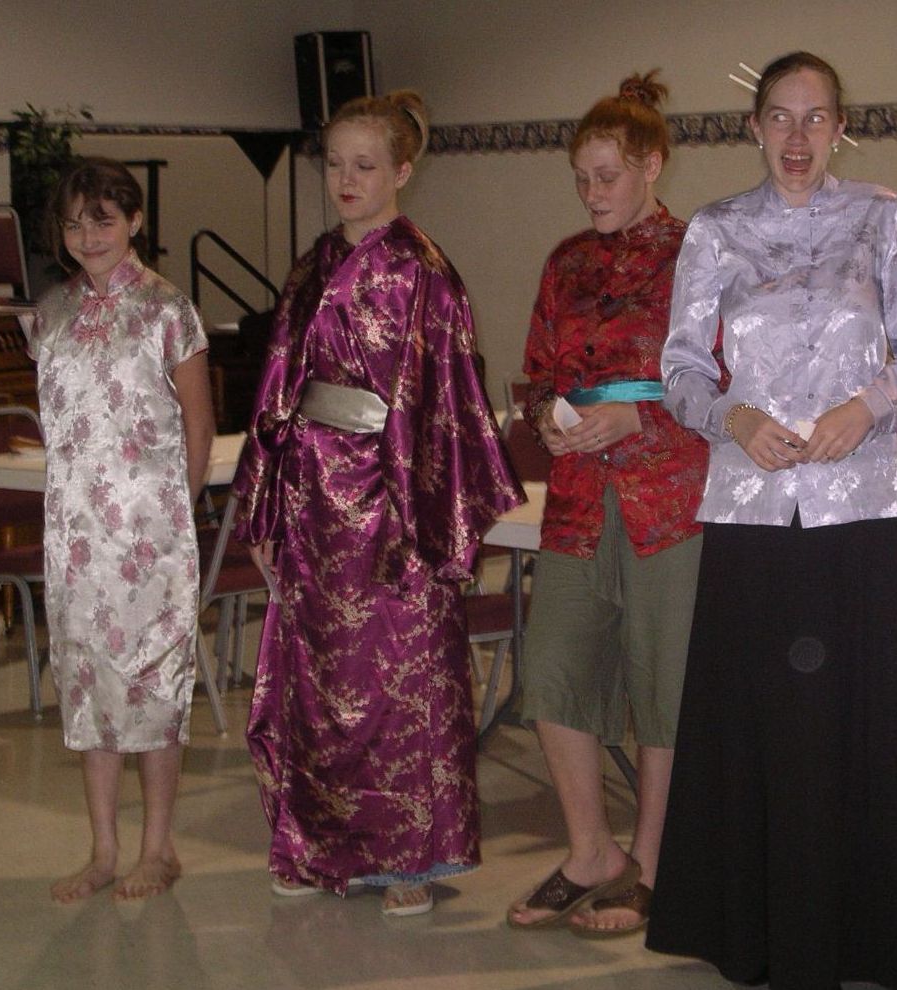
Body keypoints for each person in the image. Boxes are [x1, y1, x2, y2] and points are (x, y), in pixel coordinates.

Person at [647, 51, 897, 990]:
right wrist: (729, 417)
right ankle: (757, 935)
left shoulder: (882, 217)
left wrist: (869, 407)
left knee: (858, 724)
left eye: (814, 117)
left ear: (839, 128)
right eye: (778, 117)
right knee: (760, 725)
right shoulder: (715, 230)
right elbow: (679, 368)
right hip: (750, 506)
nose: (795, 136)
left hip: (854, 505)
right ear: (753, 128)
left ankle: (869, 937)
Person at [232, 89, 522, 917]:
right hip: (311, 499)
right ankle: (318, 845)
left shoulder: (423, 271)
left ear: (402, 170)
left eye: (365, 165)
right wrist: (264, 501)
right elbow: (276, 386)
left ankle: (408, 859)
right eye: (334, 164)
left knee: (396, 678)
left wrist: (425, 518)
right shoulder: (312, 265)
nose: (346, 180)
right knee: (316, 679)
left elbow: (446, 400)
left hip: (395, 503)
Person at [505, 71, 710, 938]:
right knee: (551, 670)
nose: (592, 193)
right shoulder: (565, 263)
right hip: (580, 497)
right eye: (582, 178)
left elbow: (729, 381)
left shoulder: (700, 253)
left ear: (651, 166)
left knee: (663, 681)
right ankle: (590, 851)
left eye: (608, 176)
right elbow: (539, 373)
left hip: (669, 497)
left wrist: (640, 414)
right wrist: (547, 423)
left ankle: (652, 865)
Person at [31, 157, 214, 902]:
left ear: (134, 221)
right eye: (74, 223)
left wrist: (176, 519)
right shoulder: (51, 311)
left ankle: (157, 848)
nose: (88, 236)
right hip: (75, 535)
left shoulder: (169, 309)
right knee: (88, 689)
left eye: (102, 220)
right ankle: (103, 849)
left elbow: (198, 426)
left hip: (151, 536)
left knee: (153, 687)